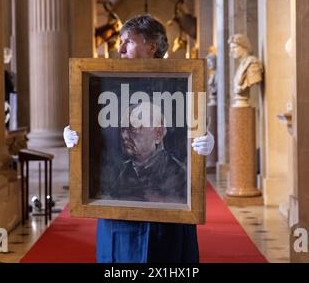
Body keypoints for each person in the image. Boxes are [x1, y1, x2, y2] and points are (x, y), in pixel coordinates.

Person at [64, 15, 214, 263]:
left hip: (170, 216)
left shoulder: (185, 78)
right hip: (118, 216)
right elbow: (91, 125)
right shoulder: (102, 80)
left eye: (128, 42)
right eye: (120, 43)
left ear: (152, 46)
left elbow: (196, 125)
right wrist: (73, 133)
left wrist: (207, 139)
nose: (120, 49)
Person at [103, 102, 187, 203]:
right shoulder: (116, 172)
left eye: (133, 128)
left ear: (158, 134)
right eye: (123, 129)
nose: (124, 136)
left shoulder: (179, 175)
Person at [229, 34, 264, 108]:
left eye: (234, 47)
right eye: (231, 48)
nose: (231, 51)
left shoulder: (253, 64)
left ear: (244, 47)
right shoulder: (240, 66)